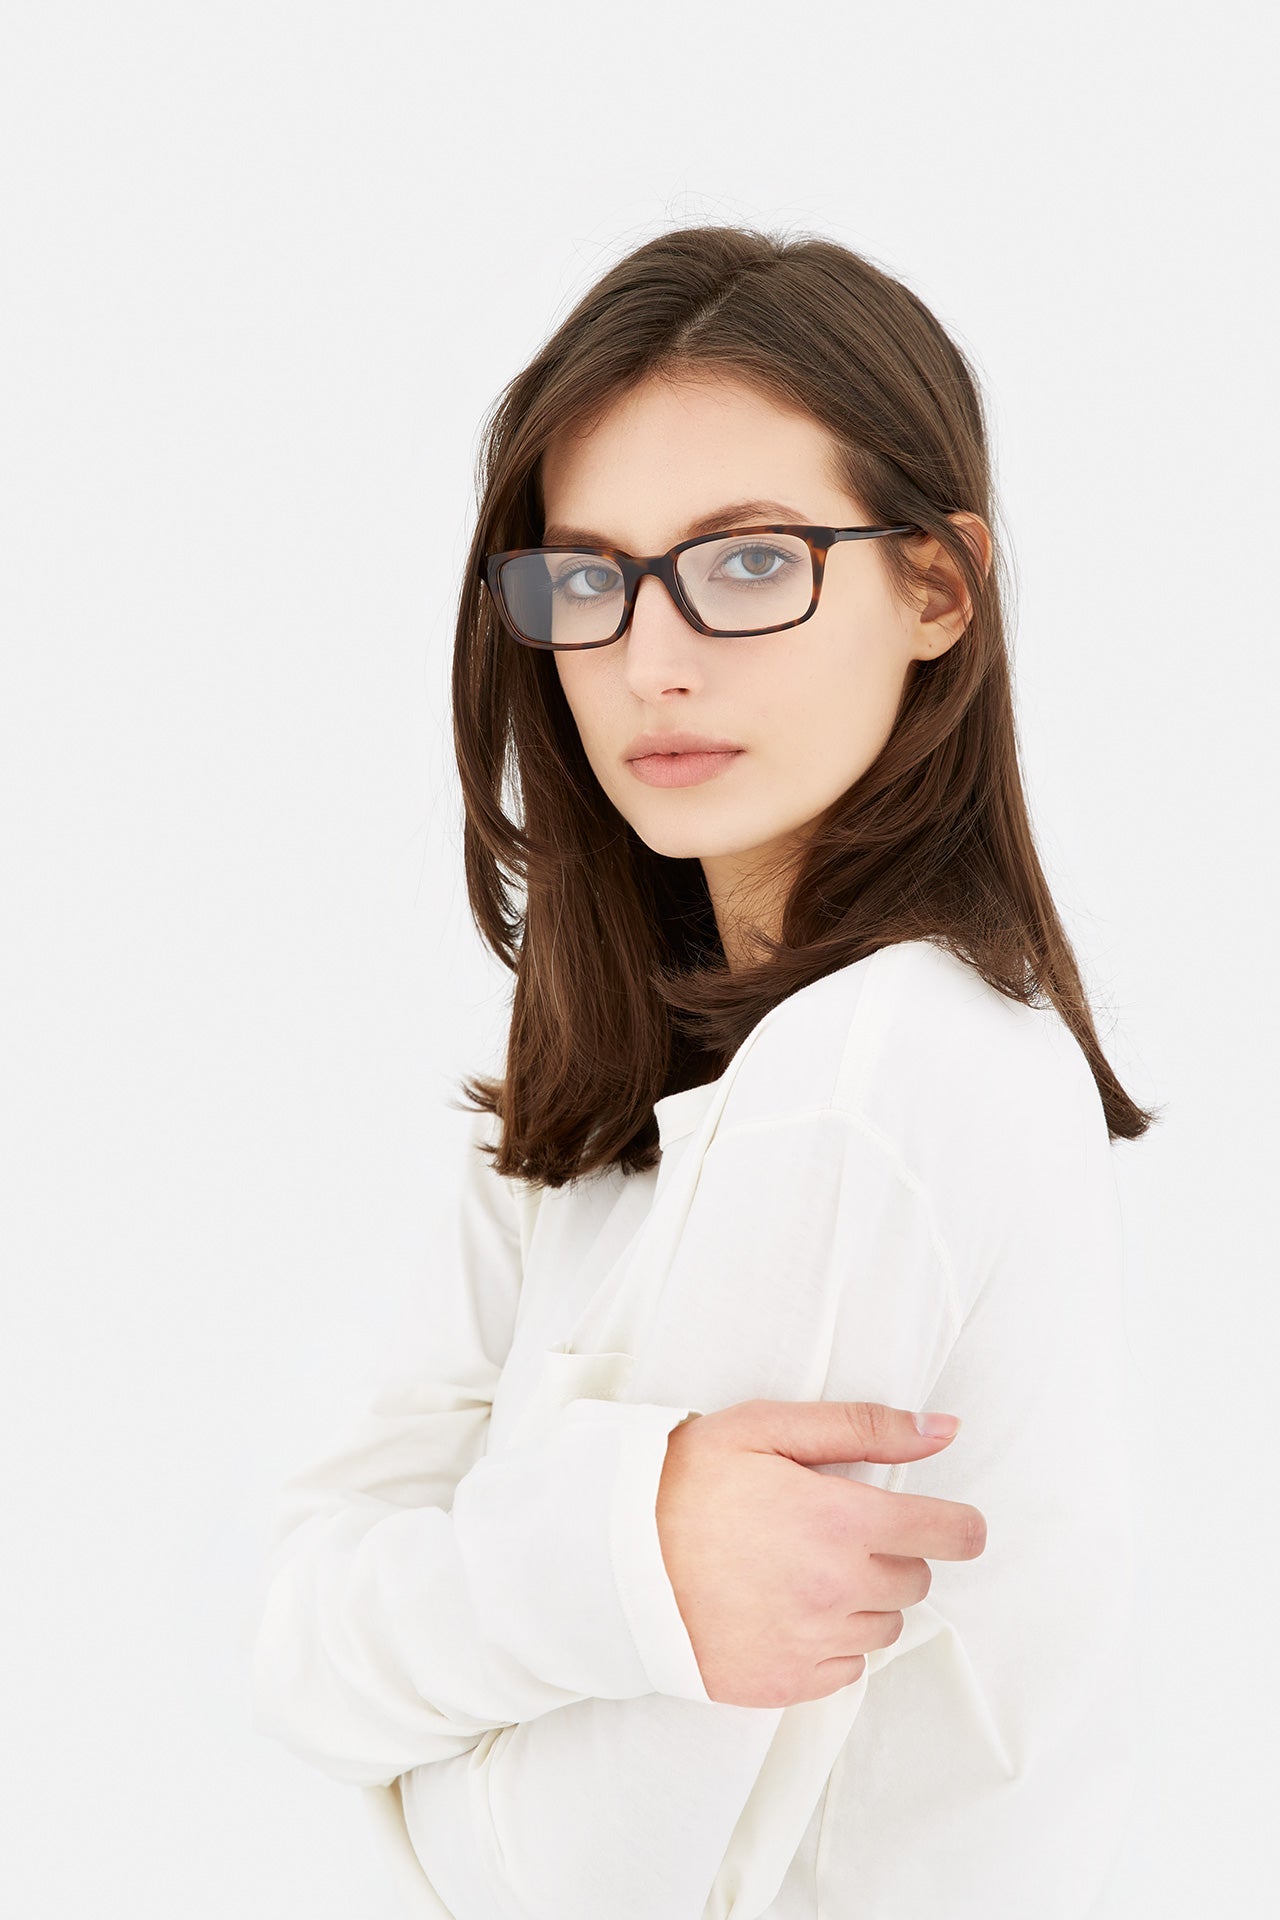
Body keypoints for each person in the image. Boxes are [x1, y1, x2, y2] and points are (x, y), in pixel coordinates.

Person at [250, 224, 1159, 1919]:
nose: (652, 660)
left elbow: (566, 1878)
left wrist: (437, 1700)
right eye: (587, 579)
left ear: (938, 586)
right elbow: (294, 1643)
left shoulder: (877, 1067)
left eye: (748, 563)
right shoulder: (596, 1113)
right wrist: (623, 1553)